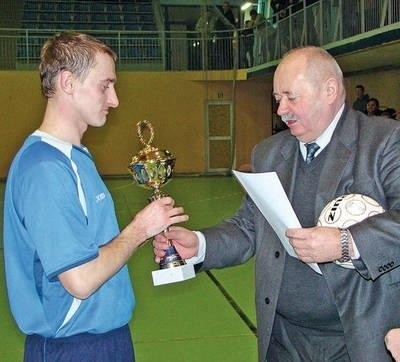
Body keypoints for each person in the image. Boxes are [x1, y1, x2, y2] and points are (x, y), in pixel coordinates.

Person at [154, 46, 400, 361]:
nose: (281, 109)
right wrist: (199, 245)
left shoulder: (385, 141)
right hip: (284, 339)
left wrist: (346, 242)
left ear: (329, 90)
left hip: (356, 339)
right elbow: (248, 227)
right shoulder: (268, 153)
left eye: (290, 97)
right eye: (277, 99)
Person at [3, 32, 188, 361]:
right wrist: (139, 230)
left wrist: (147, 236)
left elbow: (91, 250)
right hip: (74, 348)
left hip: (106, 340)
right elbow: (81, 280)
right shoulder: (45, 168)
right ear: (68, 82)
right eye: (105, 85)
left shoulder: (77, 158)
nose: (114, 99)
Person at [214, 1, 236, 69]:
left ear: (228, 7)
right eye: (224, 6)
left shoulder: (229, 15)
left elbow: (228, 24)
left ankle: (227, 66)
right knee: (222, 52)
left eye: (226, 6)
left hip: (226, 36)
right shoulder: (223, 15)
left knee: (226, 52)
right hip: (221, 36)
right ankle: (223, 66)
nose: (224, 7)